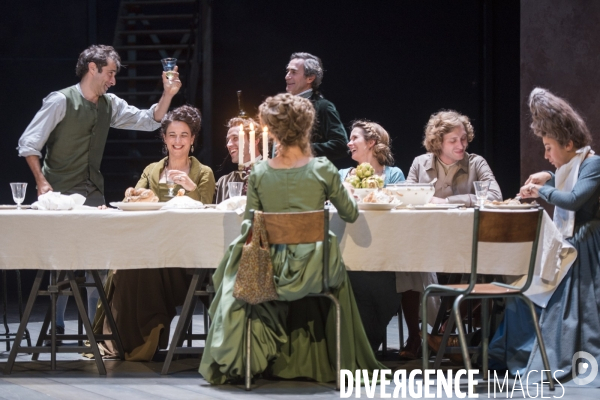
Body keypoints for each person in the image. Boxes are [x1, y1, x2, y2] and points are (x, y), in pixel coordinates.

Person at [199, 93, 384, 384]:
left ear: (271, 132)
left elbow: (249, 223)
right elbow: (349, 214)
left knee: (234, 267)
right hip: (315, 270)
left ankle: (251, 361)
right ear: (308, 129)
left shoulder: (259, 172)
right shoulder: (323, 169)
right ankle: (334, 363)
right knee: (340, 273)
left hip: (268, 271)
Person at [16, 44, 181, 340]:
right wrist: (42, 182)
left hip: (93, 193)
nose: (113, 80)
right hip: (61, 195)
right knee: (62, 264)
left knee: (99, 262)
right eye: (110, 73)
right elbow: (29, 143)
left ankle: (97, 329)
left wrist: (168, 94)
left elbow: (149, 120)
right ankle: (57, 326)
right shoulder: (61, 101)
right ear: (92, 68)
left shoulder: (110, 104)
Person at [488, 88, 600, 383]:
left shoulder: (594, 164)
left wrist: (541, 190)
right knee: (524, 288)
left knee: (558, 300)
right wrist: (548, 176)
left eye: (549, 147)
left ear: (570, 143)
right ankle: (509, 353)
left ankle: (557, 353)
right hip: (571, 243)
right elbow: (568, 177)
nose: (546, 155)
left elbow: (574, 198)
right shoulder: (575, 165)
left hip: (585, 248)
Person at [93, 105, 215, 360]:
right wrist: (130, 194)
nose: (177, 141)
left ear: (193, 139)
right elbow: (133, 199)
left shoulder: (203, 174)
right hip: (152, 249)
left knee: (141, 265)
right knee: (130, 265)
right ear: (164, 138)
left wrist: (190, 186)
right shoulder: (152, 171)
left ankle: (143, 341)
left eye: (184, 135)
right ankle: (130, 343)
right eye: (172, 134)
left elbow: (207, 214)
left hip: (184, 258)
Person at [402, 110, 503, 359]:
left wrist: (445, 201)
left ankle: (450, 330)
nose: (461, 145)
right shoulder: (419, 163)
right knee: (405, 264)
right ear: (438, 142)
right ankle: (415, 336)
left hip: (463, 243)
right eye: (453, 140)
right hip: (427, 240)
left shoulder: (476, 163)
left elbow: (494, 196)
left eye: (464, 139)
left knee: (480, 264)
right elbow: (406, 198)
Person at [338, 120, 405, 352]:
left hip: (385, 252)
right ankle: (353, 349)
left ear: (372, 142)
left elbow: (401, 210)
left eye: (355, 138)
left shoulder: (393, 175)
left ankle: (365, 348)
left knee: (382, 290)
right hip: (349, 252)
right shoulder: (342, 175)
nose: (349, 143)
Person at [285, 52, 348, 161]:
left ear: (310, 78)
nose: (287, 77)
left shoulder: (323, 107)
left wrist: (302, 150)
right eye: (288, 71)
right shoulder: (281, 106)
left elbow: (341, 145)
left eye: (294, 72)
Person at [214, 117, 262, 203]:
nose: (228, 145)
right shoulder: (224, 183)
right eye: (228, 140)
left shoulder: (273, 173)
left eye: (235, 138)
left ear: (254, 141)